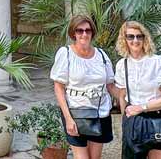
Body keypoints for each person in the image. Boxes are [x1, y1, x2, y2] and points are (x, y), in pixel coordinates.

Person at [50, 15, 119, 159]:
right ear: (73, 33)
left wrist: (130, 99)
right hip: (76, 112)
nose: (84, 34)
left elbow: (110, 86)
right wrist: (68, 119)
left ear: (92, 32)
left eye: (88, 30)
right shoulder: (66, 54)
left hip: (100, 112)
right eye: (79, 30)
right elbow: (59, 88)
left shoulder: (101, 55)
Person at [114, 21, 161, 158]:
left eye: (139, 36)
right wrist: (126, 122)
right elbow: (122, 96)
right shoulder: (122, 65)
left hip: (156, 120)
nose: (135, 40)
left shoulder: (159, 62)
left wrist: (141, 107)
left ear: (145, 38)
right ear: (124, 39)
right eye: (130, 36)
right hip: (134, 122)